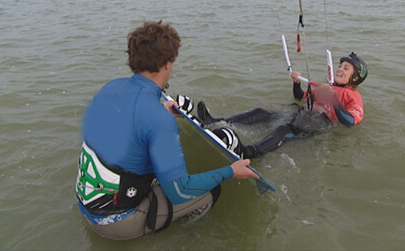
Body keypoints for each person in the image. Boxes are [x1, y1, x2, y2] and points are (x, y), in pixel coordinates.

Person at [75, 21, 258, 240]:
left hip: (87, 205)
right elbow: (179, 192)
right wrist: (231, 171)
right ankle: (180, 239)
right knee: (209, 191)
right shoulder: (158, 120)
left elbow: (126, 123)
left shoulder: (110, 88)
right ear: (166, 65)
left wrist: (160, 109)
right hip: (117, 223)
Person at [197, 52, 368, 159]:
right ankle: (216, 122)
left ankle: (249, 153)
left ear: (355, 78)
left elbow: (350, 121)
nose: (339, 69)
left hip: (317, 125)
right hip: (302, 115)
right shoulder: (327, 88)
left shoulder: (353, 96)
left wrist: (334, 99)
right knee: (262, 112)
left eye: (346, 68)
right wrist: (295, 83)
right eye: (340, 66)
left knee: (283, 131)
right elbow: (300, 97)